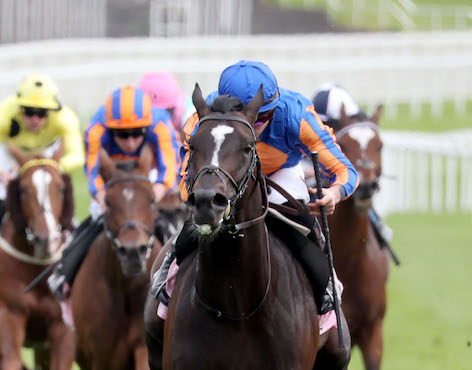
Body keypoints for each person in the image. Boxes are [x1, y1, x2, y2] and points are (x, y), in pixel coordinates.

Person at [153, 60, 359, 315]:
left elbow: (345, 170)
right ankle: (167, 275)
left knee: (300, 222)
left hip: (278, 173)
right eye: (250, 116)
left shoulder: (297, 114)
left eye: (265, 115)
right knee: (198, 220)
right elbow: (186, 175)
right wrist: (197, 200)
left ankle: (326, 288)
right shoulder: (203, 119)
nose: (257, 124)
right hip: (225, 175)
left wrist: (335, 193)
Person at [47, 85, 180, 295]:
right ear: (110, 129)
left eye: (137, 133)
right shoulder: (95, 129)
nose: (130, 141)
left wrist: (154, 194)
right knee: (97, 217)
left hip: (147, 174)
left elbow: (169, 170)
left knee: (167, 219)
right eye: (122, 134)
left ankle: (179, 271)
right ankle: (65, 271)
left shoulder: (161, 125)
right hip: (112, 178)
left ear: (147, 126)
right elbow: (92, 172)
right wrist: (100, 196)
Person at [0, 72, 84, 285]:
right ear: (19, 108)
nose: (35, 119)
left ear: (52, 111)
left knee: (62, 207)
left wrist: (54, 167)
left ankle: (77, 260)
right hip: (12, 156)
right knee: (2, 204)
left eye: (42, 113)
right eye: (29, 112)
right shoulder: (2, 115)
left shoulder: (65, 118)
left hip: (49, 156)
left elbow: (77, 156)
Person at [311, 82, 395, 249]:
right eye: (331, 127)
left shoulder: (348, 137)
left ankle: (376, 223)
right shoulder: (307, 135)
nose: (331, 132)